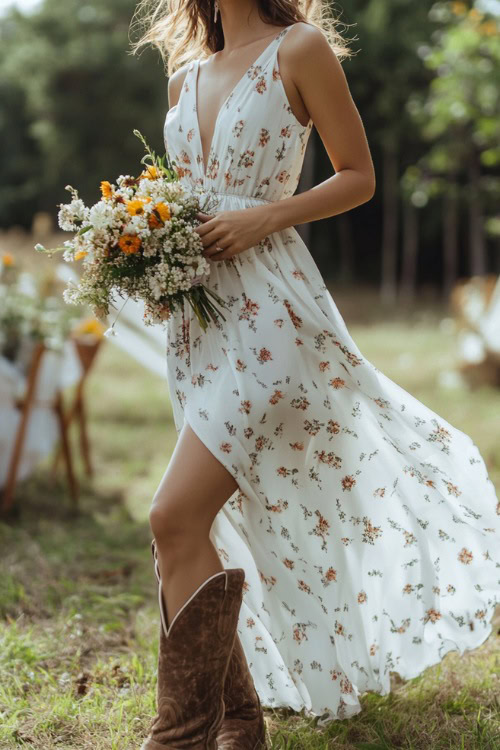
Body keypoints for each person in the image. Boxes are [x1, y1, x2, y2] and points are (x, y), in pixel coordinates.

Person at [131, 1, 500, 747]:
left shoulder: (298, 50)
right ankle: (241, 723)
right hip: (199, 324)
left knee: (172, 515)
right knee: (197, 525)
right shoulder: (183, 80)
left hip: (274, 316)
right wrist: (145, 252)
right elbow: (180, 203)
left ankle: (182, 737)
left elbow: (358, 176)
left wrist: (266, 217)